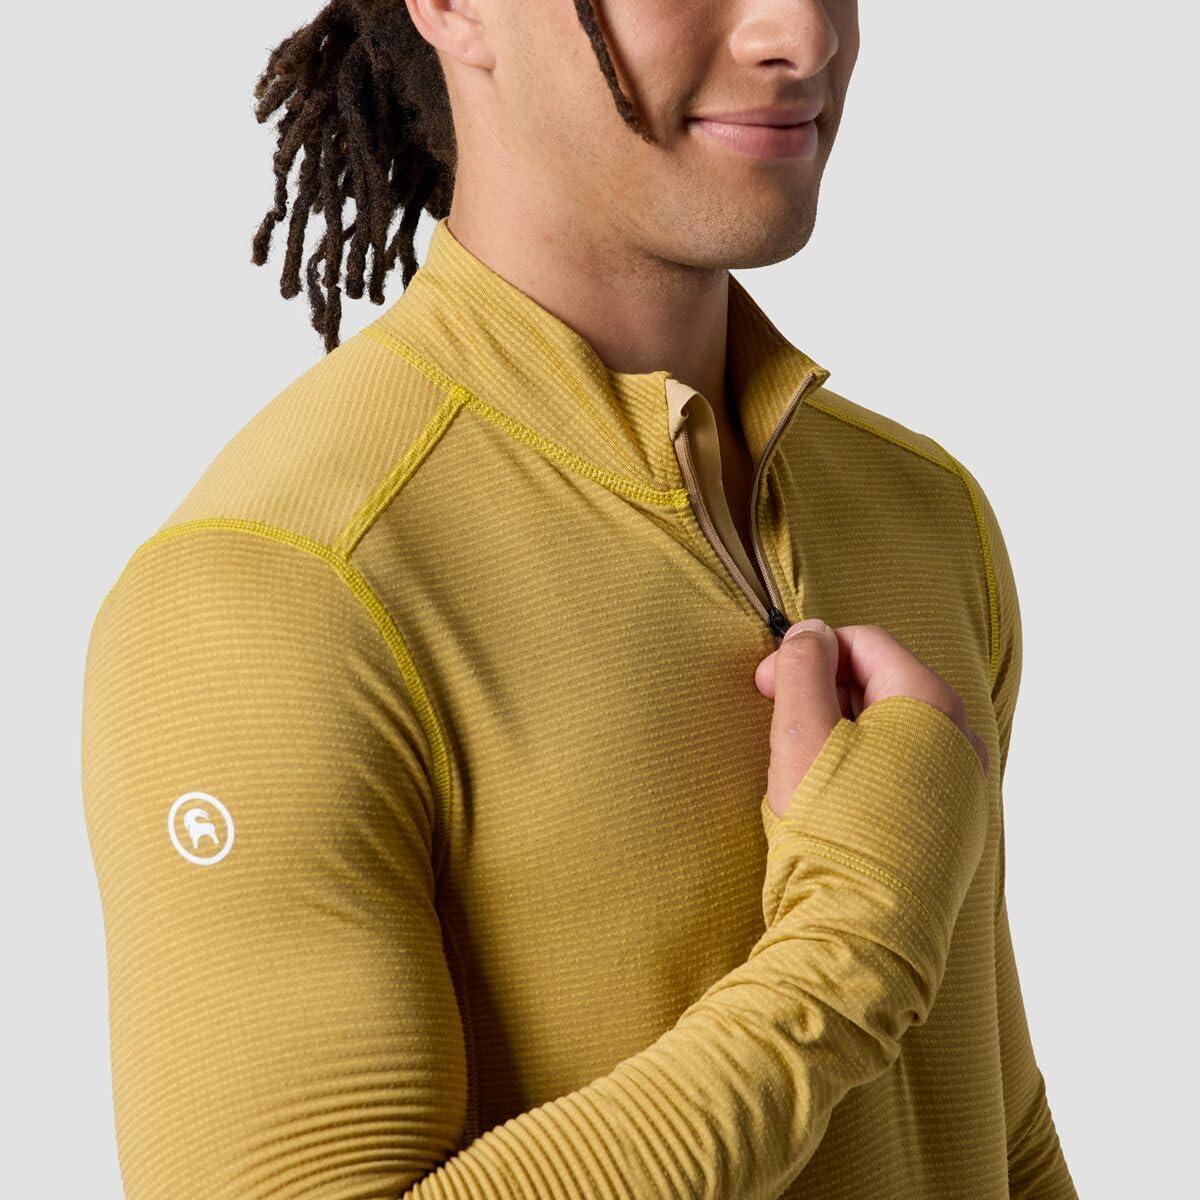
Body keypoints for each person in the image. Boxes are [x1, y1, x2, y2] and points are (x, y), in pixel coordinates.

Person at [79, 1, 1077, 1196]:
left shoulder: (920, 513)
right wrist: (855, 945)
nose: (801, 35)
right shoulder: (275, 592)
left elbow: (996, 1138)